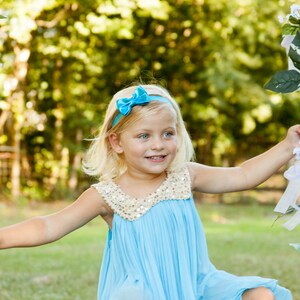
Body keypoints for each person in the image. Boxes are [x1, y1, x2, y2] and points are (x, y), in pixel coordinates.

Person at [0, 83, 299, 300]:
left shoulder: (185, 176)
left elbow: (243, 175)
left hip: (197, 284)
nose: (158, 144)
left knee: (260, 295)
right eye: (144, 136)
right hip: (144, 291)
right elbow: (49, 225)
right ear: (117, 142)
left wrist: (287, 145)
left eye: (167, 134)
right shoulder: (107, 195)